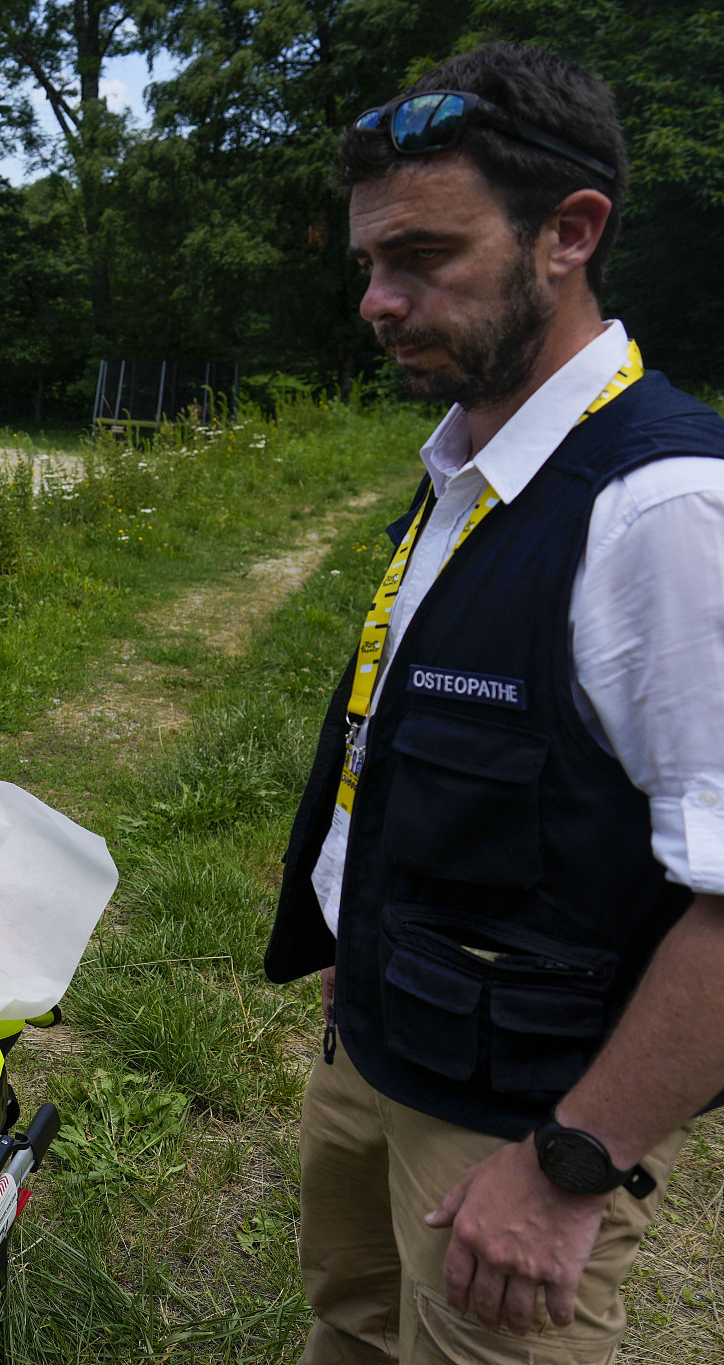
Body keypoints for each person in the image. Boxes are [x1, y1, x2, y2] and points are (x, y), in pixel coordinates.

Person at [266, 43, 724, 1364]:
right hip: (380, 1045)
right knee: (349, 1325)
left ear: (569, 234)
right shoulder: (471, 465)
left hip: (520, 1124)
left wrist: (574, 1161)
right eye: (368, 263)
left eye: (422, 256)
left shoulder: (665, 508)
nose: (376, 300)